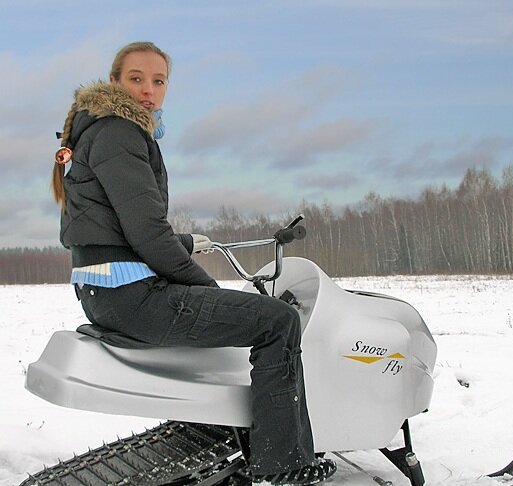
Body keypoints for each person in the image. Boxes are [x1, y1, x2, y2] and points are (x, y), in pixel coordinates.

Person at [51, 41, 336, 486]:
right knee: (277, 322)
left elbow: (116, 227)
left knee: (248, 320)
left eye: (158, 81)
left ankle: (235, 428)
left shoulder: (98, 131)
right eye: (136, 79)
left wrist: (183, 242)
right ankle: (283, 464)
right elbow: (146, 233)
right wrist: (205, 286)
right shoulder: (120, 132)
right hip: (131, 296)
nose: (148, 90)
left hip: (107, 289)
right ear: (114, 83)